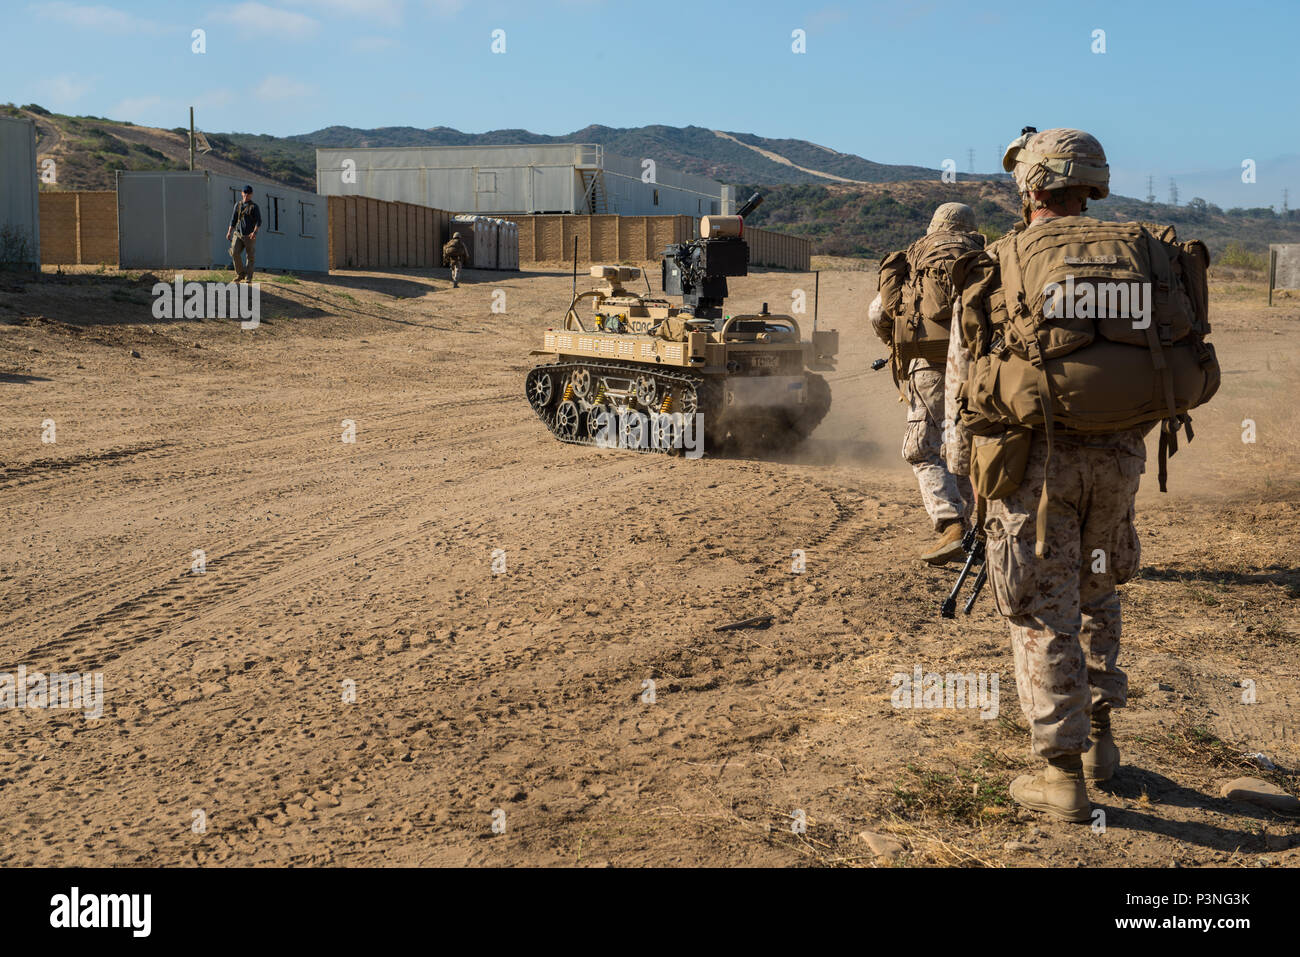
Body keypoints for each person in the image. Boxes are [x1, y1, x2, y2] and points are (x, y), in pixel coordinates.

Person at [945, 128, 1218, 822]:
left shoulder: (1002, 260)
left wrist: (966, 479)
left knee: (1043, 605)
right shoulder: (1139, 256)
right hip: (1121, 456)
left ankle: (1061, 773)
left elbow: (963, 393)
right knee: (1098, 586)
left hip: (1036, 461)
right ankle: (1102, 741)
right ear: (1088, 187)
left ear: (1031, 187)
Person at [872, 203, 983, 564]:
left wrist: (897, 343)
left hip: (930, 367)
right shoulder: (985, 257)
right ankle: (978, 534)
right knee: (967, 446)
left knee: (921, 448)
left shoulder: (917, 257)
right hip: (983, 367)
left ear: (933, 227)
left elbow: (879, 312)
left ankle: (952, 524)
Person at [226, 185, 261, 283]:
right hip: (238, 233)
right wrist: (229, 232)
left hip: (249, 235)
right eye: (245, 193)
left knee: (250, 256)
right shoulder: (238, 205)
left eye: (248, 193)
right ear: (242, 193)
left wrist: (254, 232)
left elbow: (259, 222)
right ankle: (240, 274)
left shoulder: (254, 207)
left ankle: (249, 277)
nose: (246, 195)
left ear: (251, 195)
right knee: (234, 252)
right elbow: (233, 220)